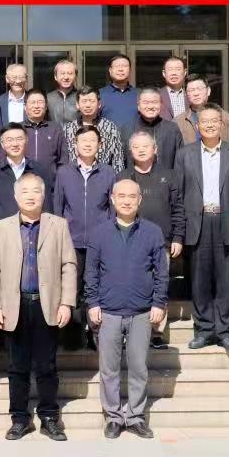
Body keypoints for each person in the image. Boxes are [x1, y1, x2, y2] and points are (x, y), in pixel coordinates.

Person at [0, 173, 77, 442]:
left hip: (47, 304)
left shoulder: (58, 225)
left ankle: (49, 417)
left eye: (36, 190)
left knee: (47, 365)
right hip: (14, 306)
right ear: (15, 196)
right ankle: (19, 419)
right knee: (17, 366)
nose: (30, 196)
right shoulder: (0, 228)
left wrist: (66, 302)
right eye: (24, 191)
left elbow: (69, 265)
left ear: (43, 195)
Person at [85, 179, 168, 440]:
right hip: (108, 311)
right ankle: (112, 416)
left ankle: (135, 416)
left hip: (141, 311)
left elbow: (162, 273)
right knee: (109, 368)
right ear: (112, 199)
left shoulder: (153, 232)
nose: (126, 201)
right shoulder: (99, 233)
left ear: (140, 200)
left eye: (132, 196)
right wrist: (92, 303)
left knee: (138, 366)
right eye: (121, 196)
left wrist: (159, 303)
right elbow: (91, 272)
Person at [175, 103, 229, 353]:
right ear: (197, 125)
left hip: (227, 220)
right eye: (204, 121)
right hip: (196, 223)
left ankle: (226, 332)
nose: (209, 125)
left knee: (226, 280)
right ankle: (204, 330)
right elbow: (178, 194)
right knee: (198, 280)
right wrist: (178, 229)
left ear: (222, 124)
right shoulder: (185, 154)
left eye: (214, 121)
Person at [118, 131, 185, 349]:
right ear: (130, 151)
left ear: (155, 149)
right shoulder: (123, 177)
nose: (141, 150)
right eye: (136, 147)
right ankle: (128, 330)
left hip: (161, 242)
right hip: (128, 241)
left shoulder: (169, 175)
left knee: (159, 285)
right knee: (129, 284)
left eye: (145, 146)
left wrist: (178, 237)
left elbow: (178, 208)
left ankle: (156, 332)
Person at [53, 126, 116, 350]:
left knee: (98, 288)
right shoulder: (64, 173)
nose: (88, 144)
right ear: (75, 144)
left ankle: (97, 335)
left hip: (101, 242)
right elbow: (58, 207)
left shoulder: (108, 173)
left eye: (92, 140)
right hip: (72, 241)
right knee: (74, 288)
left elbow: (113, 208)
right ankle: (74, 335)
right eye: (83, 140)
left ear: (100, 145)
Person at [0, 123, 52, 245]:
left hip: (34, 234)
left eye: (19, 139)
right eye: (9, 140)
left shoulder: (40, 170)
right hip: (3, 236)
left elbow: (47, 206)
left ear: (26, 141)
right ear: (2, 144)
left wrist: (48, 235)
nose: (15, 144)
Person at [63, 86, 125, 173]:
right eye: (84, 101)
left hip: (103, 177)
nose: (88, 105)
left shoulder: (110, 128)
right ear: (77, 105)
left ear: (99, 104)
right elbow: (63, 159)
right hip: (74, 176)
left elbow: (118, 160)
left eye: (92, 101)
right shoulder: (68, 129)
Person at [14, 89, 69, 185]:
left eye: (40, 102)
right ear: (25, 107)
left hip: (50, 186)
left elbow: (63, 160)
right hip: (22, 186)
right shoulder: (17, 129)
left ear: (46, 106)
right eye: (33, 102)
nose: (36, 106)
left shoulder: (55, 129)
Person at [127, 87, 184, 170]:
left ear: (161, 105)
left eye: (154, 102)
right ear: (138, 106)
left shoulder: (172, 129)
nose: (150, 106)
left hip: (166, 177)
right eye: (146, 102)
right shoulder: (127, 129)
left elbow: (180, 161)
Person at [175, 74, 229, 144]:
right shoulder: (178, 122)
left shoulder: (224, 117)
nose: (196, 93)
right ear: (185, 94)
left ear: (208, 91)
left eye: (199, 89)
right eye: (191, 90)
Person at [99, 54, 139, 134]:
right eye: (117, 66)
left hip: (134, 141)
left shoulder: (139, 94)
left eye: (124, 66)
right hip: (108, 140)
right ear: (110, 70)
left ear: (130, 70)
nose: (120, 69)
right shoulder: (100, 94)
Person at [46, 60, 79, 126]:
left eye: (70, 73)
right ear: (55, 77)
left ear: (75, 76)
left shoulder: (81, 97)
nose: (66, 77)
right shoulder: (48, 98)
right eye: (62, 73)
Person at [159, 56, 188, 121]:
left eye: (178, 69)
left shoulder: (190, 96)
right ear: (164, 73)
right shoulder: (156, 95)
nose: (174, 73)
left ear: (184, 72)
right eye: (170, 69)